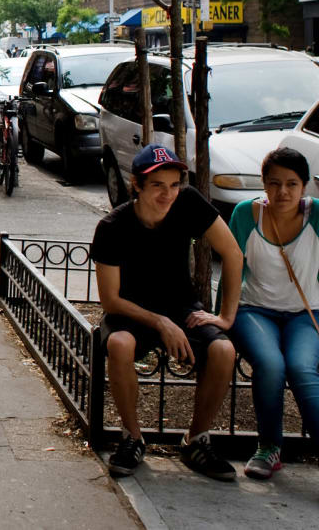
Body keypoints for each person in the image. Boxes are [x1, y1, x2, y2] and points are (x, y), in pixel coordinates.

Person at [92, 144, 242, 481]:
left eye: (174, 184)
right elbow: (111, 301)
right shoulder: (113, 227)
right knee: (119, 345)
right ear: (137, 185)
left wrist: (226, 317)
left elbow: (233, 253)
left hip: (181, 307)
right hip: (131, 311)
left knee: (223, 350)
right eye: (158, 185)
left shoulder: (187, 203)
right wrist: (160, 323)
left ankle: (196, 440)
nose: (168, 193)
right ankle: (132, 438)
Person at [228, 148, 319, 517]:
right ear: (264, 184)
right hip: (255, 311)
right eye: (274, 183)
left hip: (308, 314)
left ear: (305, 186)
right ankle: (269, 447)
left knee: (302, 369)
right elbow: (233, 270)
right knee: (270, 364)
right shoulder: (246, 214)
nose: (282, 192)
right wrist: (223, 315)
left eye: (292, 184)